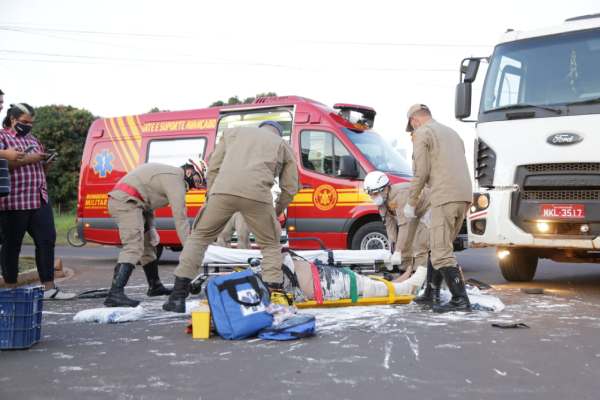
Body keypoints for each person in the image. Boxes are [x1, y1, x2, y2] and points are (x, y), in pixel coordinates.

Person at [163, 121, 300, 313]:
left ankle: (177, 296)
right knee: (270, 245)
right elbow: (290, 188)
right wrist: (275, 212)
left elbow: (213, 168)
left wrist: (213, 195)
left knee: (199, 238)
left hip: (222, 192)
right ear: (278, 133)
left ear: (259, 128)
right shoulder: (282, 145)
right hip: (258, 196)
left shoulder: (233, 133)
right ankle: (273, 297)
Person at [104, 161, 204, 307]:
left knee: (148, 245)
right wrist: (190, 250)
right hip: (126, 202)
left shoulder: (171, 176)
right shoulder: (176, 178)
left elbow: (148, 201)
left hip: (137, 203)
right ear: (189, 172)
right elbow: (180, 218)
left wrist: (151, 228)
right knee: (133, 247)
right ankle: (115, 294)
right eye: (197, 180)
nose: (196, 185)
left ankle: (155, 286)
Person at [0, 103, 75, 299]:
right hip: (13, 201)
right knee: (12, 246)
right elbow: (5, 164)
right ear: (12, 119)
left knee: (46, 241)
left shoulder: (33, 139)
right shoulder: (2, 137)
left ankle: (49, 288)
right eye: (24, 122)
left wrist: (45, 163)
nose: (28, 126)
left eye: (31, 123)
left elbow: (39, 169)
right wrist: (32, 159)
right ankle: (10, 289)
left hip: (39, 198)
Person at [404, 104, 472, 312]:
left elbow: (421, 172)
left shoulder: (422, 133)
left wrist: (411, 201)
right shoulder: (452, 132)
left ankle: (460, 299)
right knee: (438, 245)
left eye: (412, 126)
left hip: (444, 196)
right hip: (464, 196)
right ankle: (431, 293)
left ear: (414, 121)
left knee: (441, 251)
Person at [363, 171, 435, 282]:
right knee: (403, 246)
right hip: (413, 213)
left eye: (375, 194)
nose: (373, 197)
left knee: (419, 245)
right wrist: (393, 249)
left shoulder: (401, 194)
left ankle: (419, 281)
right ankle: (405, 274)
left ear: (385, 189)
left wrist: (398, 251)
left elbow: (404, 225)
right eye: (371, 194)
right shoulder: (382, 202)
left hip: (428, 207)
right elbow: (390, 225)